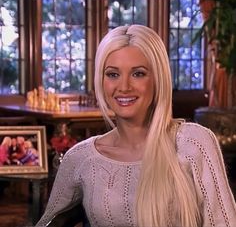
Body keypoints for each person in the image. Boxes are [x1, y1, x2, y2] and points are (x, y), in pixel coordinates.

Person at [36, 25, 236, 227]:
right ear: (100, 80)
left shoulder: (194, 143)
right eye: (113, 74)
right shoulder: (80, 158)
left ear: (158, 79)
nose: (124, 87)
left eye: (138, 73)